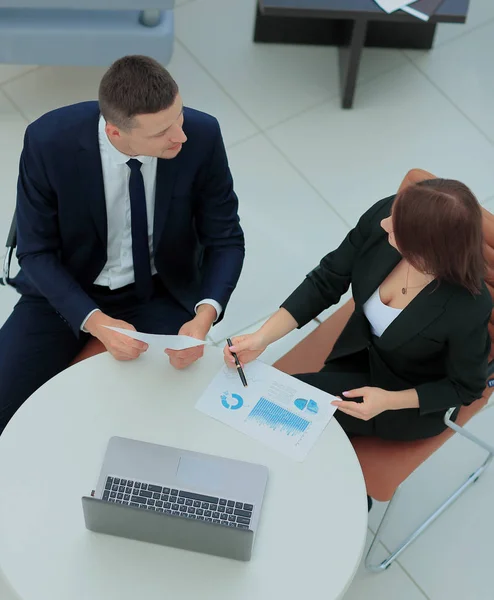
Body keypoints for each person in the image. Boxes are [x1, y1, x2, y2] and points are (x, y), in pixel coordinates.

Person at [0, 55, 245, 434]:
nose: (180, 135)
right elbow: (36, 251)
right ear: (116, 132)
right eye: (162, 131)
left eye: (178, 116)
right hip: (64, 289)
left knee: (146, 422)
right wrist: (95, 321)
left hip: (158, 292)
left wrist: (204, 316)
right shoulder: (48, 140)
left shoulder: (202, 134)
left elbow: (226, 238)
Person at [224, 170, 491, 446]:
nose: (385, 223)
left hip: (405, 395)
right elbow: (327, 279)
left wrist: (388, 400)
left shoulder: (468, 306)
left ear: (427, 249)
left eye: (397, 228)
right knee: (283, 418)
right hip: (356, 350)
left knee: (277, 408)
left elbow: (465, 387)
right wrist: (262, 337)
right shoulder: (387, 215)